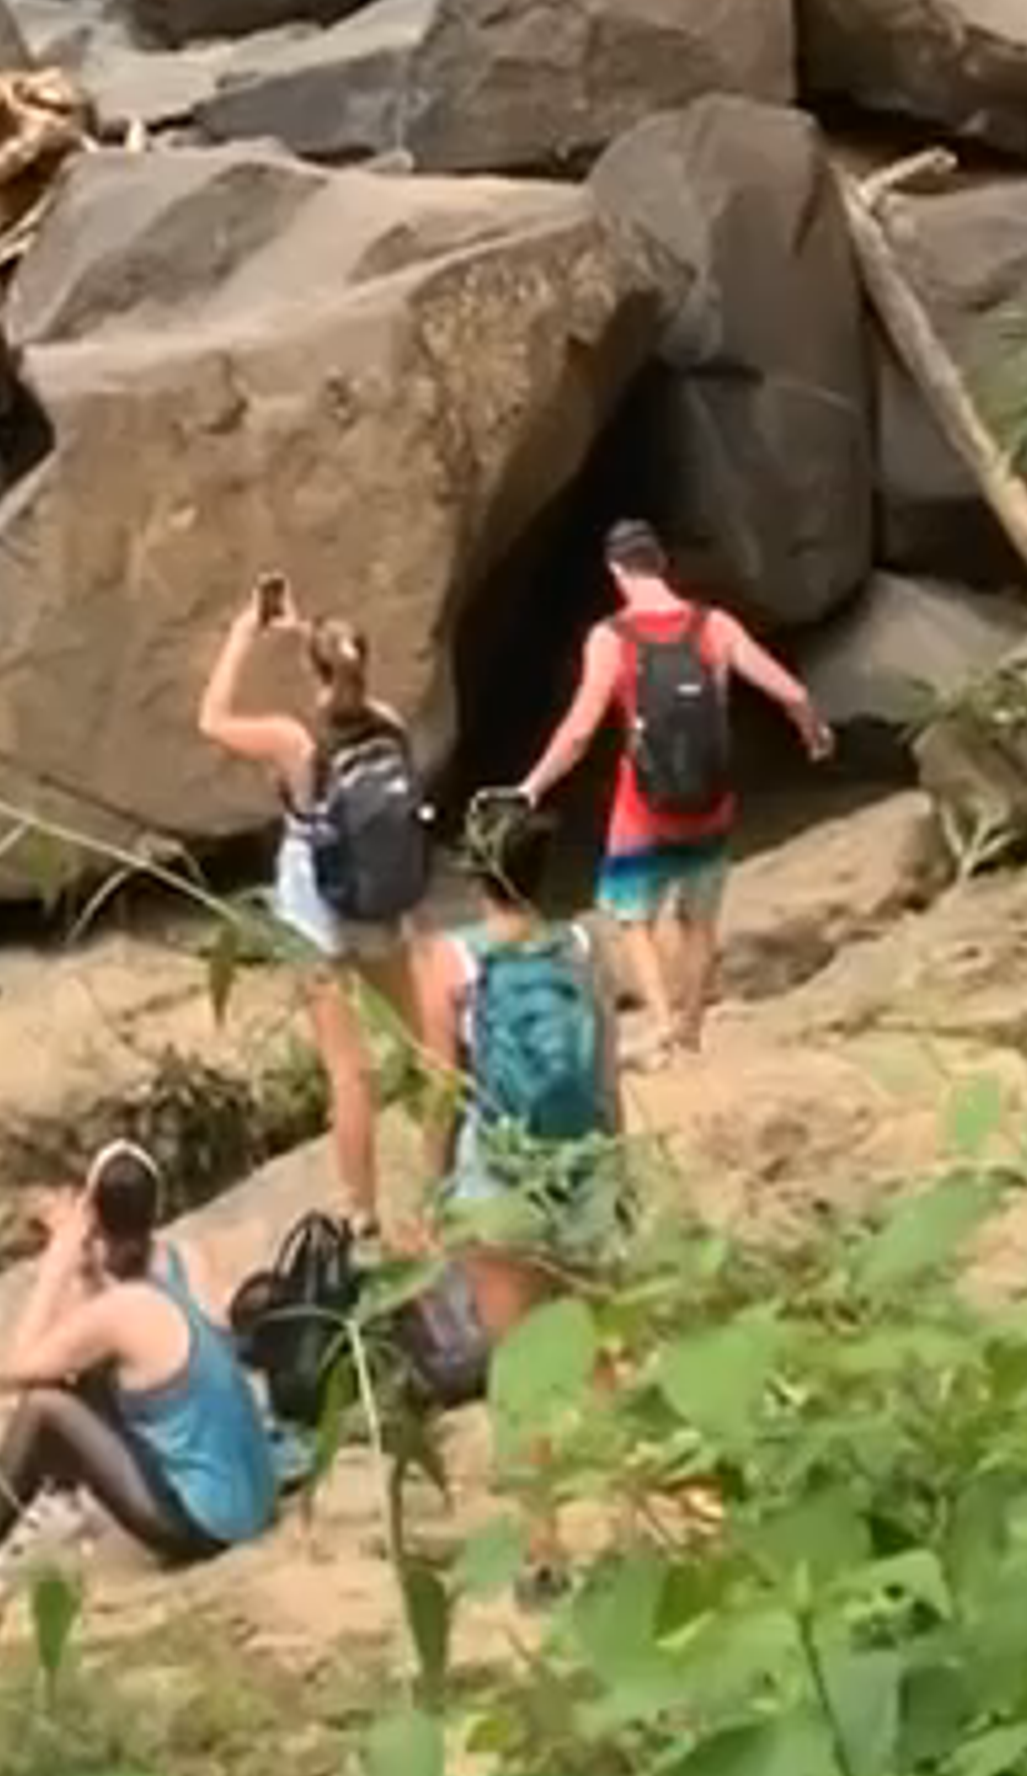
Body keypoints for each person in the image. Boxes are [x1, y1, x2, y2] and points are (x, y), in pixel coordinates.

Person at [511, 519, 834, 1064]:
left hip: (644, 807)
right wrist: (813, 730)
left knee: (631, 917)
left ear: (617, 571)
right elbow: (790, 690)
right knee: (699, 920)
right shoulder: (714, 626)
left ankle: (662, 1028)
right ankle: (690, 1027)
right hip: (711, 803)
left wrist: (532, 786)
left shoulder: (611, 638)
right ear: (662, 565)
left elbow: (579, 732)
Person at [0, 1141, 287, 1600]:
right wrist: (86, 1270)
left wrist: (57, 1258)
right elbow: (96, 1346)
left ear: (94, 1218)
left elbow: (22, 1366)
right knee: (85, 1375)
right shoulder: (181, 1263)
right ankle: (61, 1502)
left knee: (44, 1408)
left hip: (205, 1527)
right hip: (253, 1502)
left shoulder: (123, 1311)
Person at [197, 580, 452, 1221]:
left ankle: (362, 1213)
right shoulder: (388, 723)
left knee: (349, 1070)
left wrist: (243, 632)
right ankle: (438, 1185)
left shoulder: (293, 741)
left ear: (312, 666)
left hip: (315, 902)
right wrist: (308, 631)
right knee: (428, 1042)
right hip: (378, 895)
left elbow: (212, 720)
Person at [428, 791, 624, 1348]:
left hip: (498, 1175)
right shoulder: (585, 946)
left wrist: (433, 1189)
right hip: (583, 1167)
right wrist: (616, 1163)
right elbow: (605, 1074)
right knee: (600, 1351)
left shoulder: (450, 960)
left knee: (520, 1373)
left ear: (473, 873)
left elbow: (444, 1092)